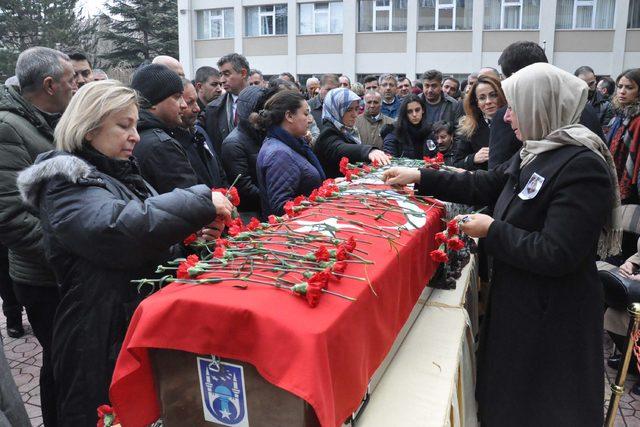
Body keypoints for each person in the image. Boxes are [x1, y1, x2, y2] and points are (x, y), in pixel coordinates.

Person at [383, 62, 619, 426]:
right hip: (523, 303)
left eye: (515, 106)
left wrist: (492, 231)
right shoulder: (537, 150)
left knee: (540, 407)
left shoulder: (581, 166)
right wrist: (419, 176)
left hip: (551, 317)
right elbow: (485, 184)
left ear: (542, 106)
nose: (508, 117)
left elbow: (558, 253)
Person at [16, 80, 232, 425]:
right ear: (89, 129)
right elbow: (115, 230)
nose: (135, 136)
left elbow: (147, 242)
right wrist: (198, 200)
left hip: (124, 322)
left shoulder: (116, 172)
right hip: (98, 335)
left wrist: (193, 241)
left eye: (134, 124)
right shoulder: (64, 183)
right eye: (123, 125)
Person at [0, 46, 77, 427]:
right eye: (71, 79)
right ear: (49, 84)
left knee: (69, 361)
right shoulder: (8, 127)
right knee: (60, 363)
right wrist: (69, 255)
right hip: (43, 275)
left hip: (58, 268)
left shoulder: (44, 118)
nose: (78, 84)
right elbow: (10, 217)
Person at [489, 41, 605, 169]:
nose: (507, 117)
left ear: (517, 79)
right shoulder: (584, 107)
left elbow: (497, 176)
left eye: (505, 79)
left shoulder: (580, 164)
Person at [256, 90, 326, 217]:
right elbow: (282, 208)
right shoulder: (279, 154)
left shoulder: (291, 144)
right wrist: (318, 202)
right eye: (305, 114)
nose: (310, 120)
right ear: (289, 116)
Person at [222, 86, 274, 218]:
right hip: (252, 213)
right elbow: (244, 188)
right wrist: (273, 197)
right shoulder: (233, 143)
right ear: (248, 112)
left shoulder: (262, 133)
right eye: (260, 111)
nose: (265, 115)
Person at [314, 88, 390, 178]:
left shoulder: (346, 130)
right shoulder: (328, 133)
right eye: (349, 110)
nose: (355, 114)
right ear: (335, 109)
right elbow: (340, 148)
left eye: (357, 109)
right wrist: (368, 151)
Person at [174, 78, 228, 188]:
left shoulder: (200, 131)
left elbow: (218, 168)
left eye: (196, 101)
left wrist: (224, 193)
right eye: (189, 103)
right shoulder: (172, 144)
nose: (197, 109)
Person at [454, 75, 506, 171]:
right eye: (482, 98)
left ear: (502, 95)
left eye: (493, 95)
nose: (488, 101)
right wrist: (473, 158)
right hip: (482, 181)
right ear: (476, 102)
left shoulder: (515, 122)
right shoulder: (470, 127)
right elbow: (457, 164)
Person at [205, 53, 250, 156]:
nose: (222, 80)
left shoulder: (264, 102)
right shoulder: (212, 109)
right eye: (221, 74)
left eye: (227, 74)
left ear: (243, 73)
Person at [608, 68, 640, 204]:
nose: (622, 91)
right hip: (614, 177)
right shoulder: (619, 115)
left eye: (629, 87)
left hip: (631, 187)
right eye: (620, 86)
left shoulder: (637, 120)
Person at [383, 94, 434, 159]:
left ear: (423, 110)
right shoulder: (394, 131)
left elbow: (435, 156)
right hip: (401, 168)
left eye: (417, 110)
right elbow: (390, 159)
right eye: (410, 111)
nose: (414, 114)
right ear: (404, 113)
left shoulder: (429, 131)